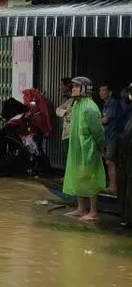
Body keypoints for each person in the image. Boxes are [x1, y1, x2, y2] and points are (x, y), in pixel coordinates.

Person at [62, 76, 107, 223]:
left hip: (88, 149)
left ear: (85, 89)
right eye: (73, 86)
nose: (73, 89)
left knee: (90, 178)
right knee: (79, 176)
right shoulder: (77, 105)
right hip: (77, 149)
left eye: (76, 86)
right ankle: (81, 208)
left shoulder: (90, 108)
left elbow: (98, 131)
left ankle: (93, 212)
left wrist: (101, 146)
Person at [99, 83, 129, 195]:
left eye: (103, 90)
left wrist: (93, 121)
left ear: (110, 92)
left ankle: (113, 187)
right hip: (107, 136)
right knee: (108, 162)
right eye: (100, 90)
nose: (101, 92)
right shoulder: (106, 104)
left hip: (113, 136)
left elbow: (105, 120)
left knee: (110, 161)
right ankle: (111, 186)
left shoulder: (113, 103)